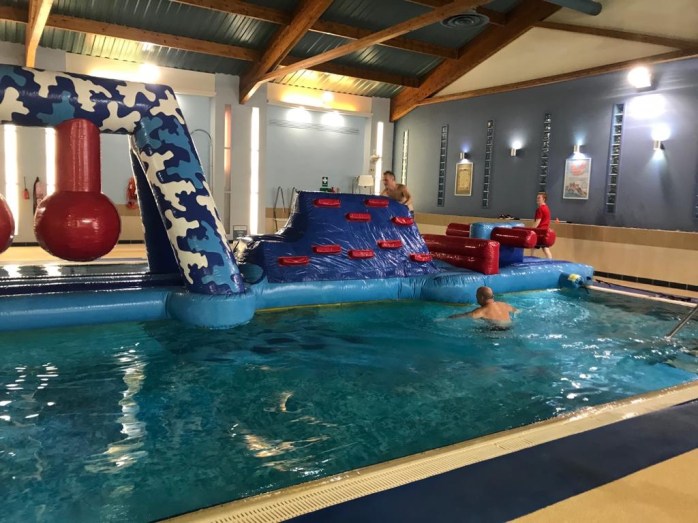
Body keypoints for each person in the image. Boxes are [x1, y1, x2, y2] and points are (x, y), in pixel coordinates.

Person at [448, 286, 516, 324]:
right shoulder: (504, 305)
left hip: (496, 331)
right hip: (510, 327)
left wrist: (447, 318)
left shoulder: (482, 311)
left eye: (477, 295)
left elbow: (466, 316)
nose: (476, 297)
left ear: (482, 297)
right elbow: (517, 311)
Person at [531, 191, 552, 259]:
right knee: (545, 248)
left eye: (539, 198)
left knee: (533, 247)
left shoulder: (540, 209)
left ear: (544, 199)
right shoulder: (547, 208)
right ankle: (550, 261)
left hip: (540, 232)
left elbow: (537, 222)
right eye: (537, 198)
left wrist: (531, 230)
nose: (537, 199)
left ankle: (531, 260)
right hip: (545, 231)